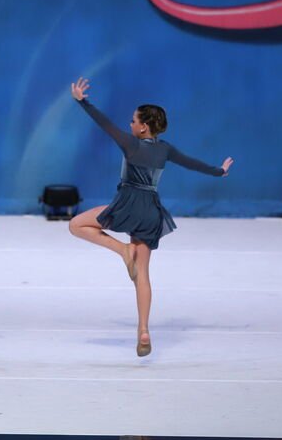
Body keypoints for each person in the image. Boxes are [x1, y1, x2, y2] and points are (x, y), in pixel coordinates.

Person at [68, 77, 233, 356]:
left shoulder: (131, 144)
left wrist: (82, 102)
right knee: (142, 275)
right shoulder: (165, 149)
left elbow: (104, 124)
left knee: (76, 224)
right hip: (150, 211)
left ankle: (122, 250)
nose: (130, 124)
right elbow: (192, 164)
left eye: (134, 120)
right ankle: (143, 330)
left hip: (127, 203)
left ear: (143, 126)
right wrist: (219, 171)